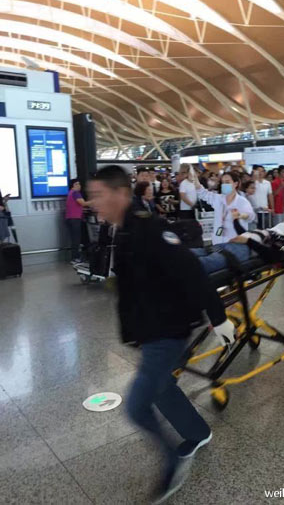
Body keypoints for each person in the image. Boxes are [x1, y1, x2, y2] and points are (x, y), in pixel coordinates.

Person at [88, 165, 234, 503]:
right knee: (162, 386)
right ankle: (197, 432)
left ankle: (172, 463)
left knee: (136, 407)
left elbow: (192, 270)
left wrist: (218, 318)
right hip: (151, 329)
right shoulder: (124, 230)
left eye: (98, 195)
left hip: (168, 330)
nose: (93, 202)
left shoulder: (149, 229)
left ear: (121, 194)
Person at [192, 220, 284, 274]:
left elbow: (272, 255)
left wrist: (248, 241)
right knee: (197, 252)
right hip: (232, 244)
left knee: (205, 262)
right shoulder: (269, 231)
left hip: (243, 249)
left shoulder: (282, 241)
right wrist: (236, 221)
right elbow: (246, 234)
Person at [193, 169, 255, 245]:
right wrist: (196, 182)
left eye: (227, 182)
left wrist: (240, 215)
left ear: (235, 184)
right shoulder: (218, 198)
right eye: (223, 182)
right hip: (218, 241)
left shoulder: (242, 201)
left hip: (235, 241)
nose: (224, 185)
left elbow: (250, 216)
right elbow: (203, 193)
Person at [65, 179, 91, 263]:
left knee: (74, 238)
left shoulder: (70, 193)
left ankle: (75, 257)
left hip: (70, 218)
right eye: (77, 184)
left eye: (79, 184)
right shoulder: (76, 193)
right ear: (73, 185)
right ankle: (75, 258)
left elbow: (75, 206)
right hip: (75, 219)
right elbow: (83, 203)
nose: (79, 186)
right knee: (76, 239)